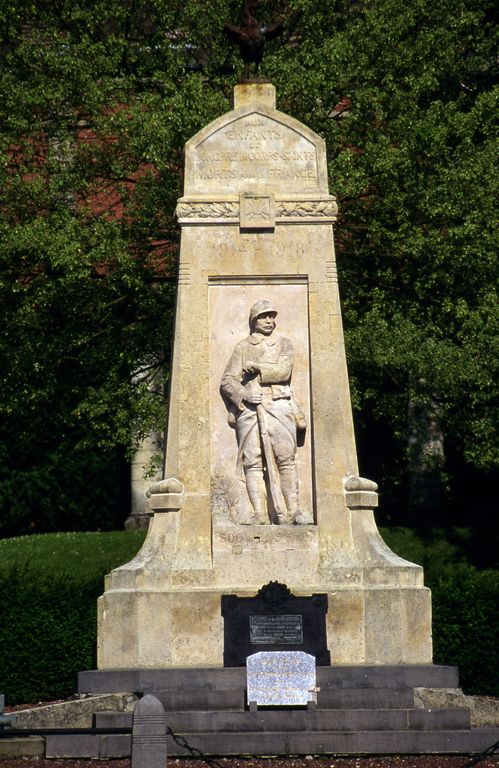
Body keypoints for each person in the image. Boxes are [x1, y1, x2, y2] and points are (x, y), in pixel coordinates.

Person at [220, 300, 310, 525]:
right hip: (250, 409)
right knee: (252, 462)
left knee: (285, 459)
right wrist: (244, 395)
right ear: (254, 321)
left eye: (271, 316)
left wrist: (259, 368)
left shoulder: (284, 344)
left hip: (279, 404)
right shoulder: (243, 346)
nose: (269, 321)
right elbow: (227, 381)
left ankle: (294, 511)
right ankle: (259, 514)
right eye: (263, 317)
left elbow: (284, 370)